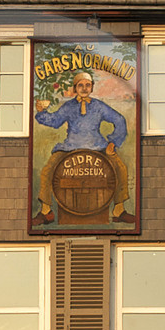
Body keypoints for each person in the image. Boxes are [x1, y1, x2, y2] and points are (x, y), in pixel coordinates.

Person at [33, 70, 133, 224]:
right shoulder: (68, 106)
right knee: (48, 170)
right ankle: (46, 212)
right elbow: (55, 121)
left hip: (98, 146)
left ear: (92, 87)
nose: (84, 88)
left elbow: (119, 120)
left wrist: (113, 142)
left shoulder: (99, 106)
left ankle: (119, 210)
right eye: (81, 85)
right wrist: (41, 112)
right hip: (70, 147)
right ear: (75, 88)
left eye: (88, 85)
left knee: (120, 168)